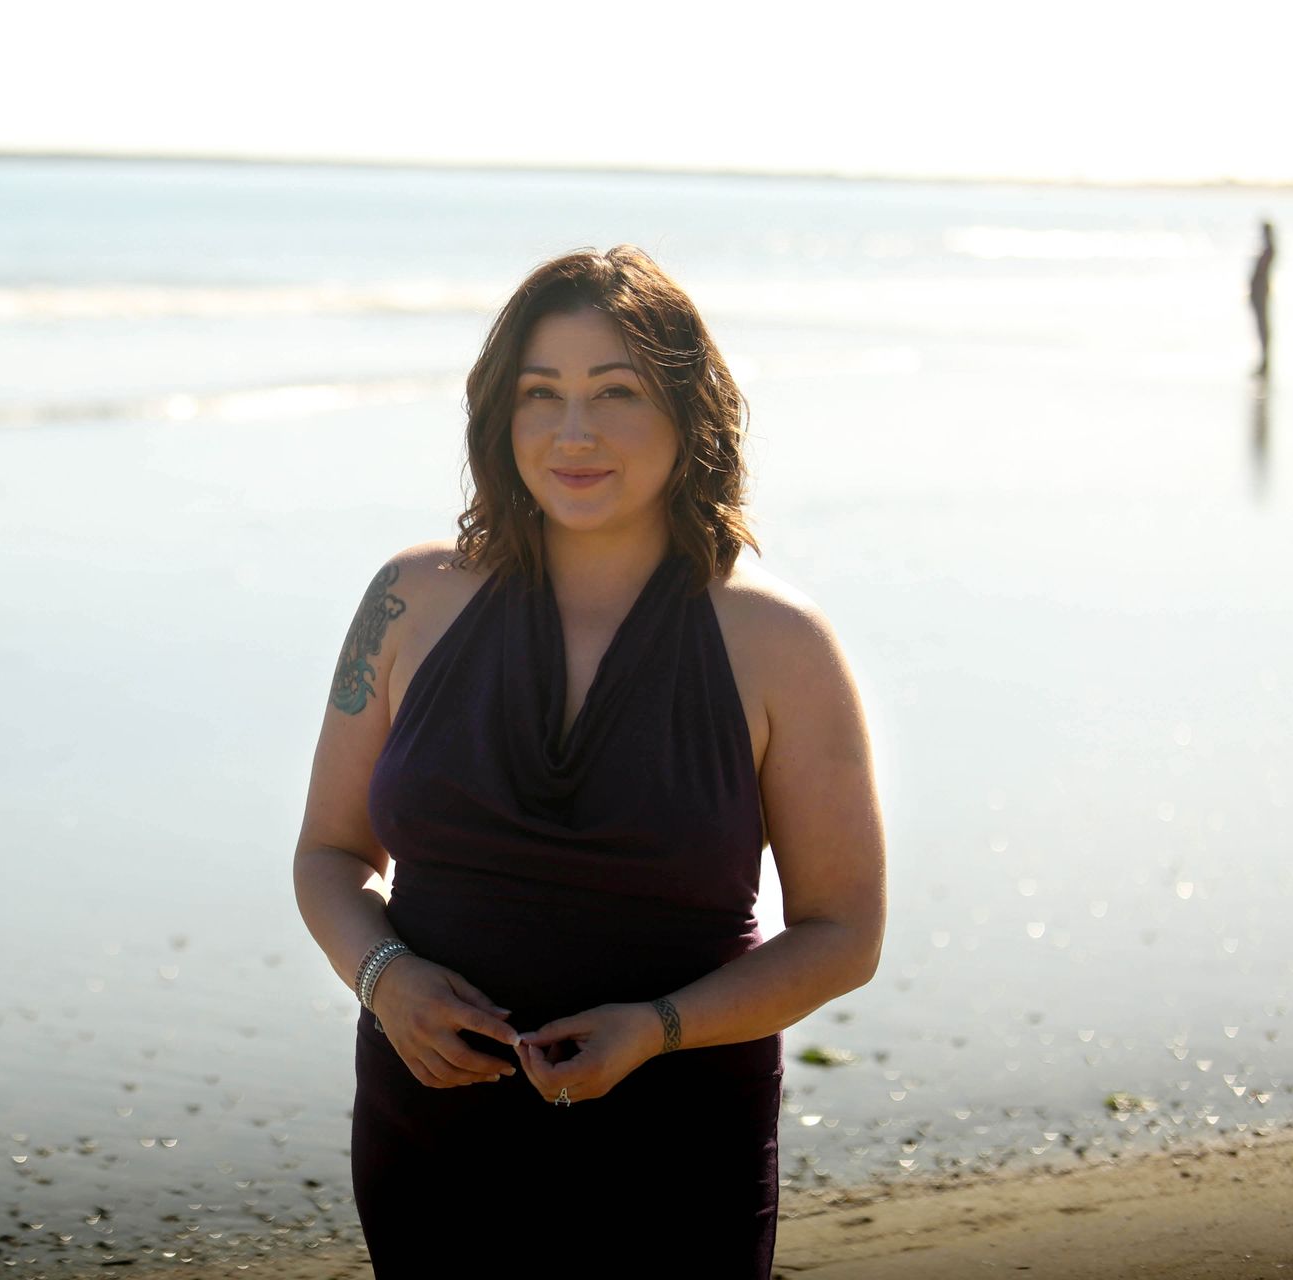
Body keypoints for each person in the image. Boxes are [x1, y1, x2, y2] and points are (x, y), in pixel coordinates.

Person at [291, 245, 887, 1274]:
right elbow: (330, 853)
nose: (575, 431)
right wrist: (385, 977)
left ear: (686, 410)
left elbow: (844, 933)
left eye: (616, 392)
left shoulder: (779, 642)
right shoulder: (406, 599)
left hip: (676, 1148)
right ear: (500, 414)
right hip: (427, 1135)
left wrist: (657, 1028)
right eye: (542, 394)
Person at [1249, 220, 1275, 377]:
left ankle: (1265, 361)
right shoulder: (1267, 250)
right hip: (1259, 294)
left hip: (1261, 295)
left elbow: (1260, 275)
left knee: (1263, 328)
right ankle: (1263, 361)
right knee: (1261, 328)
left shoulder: (1269, 250)